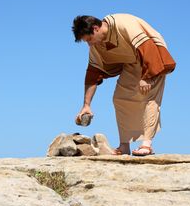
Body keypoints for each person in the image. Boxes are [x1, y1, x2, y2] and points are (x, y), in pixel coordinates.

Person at [72, 13, 176, 156]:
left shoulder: (123, 24)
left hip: (153, 56)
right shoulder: (96, 46)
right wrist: (86, 105)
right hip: (132, 62)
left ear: (96, 28)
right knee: (120, 98)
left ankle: (146, 145)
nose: (89, 44)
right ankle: (124, 146)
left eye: (89, 39)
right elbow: (93, 74)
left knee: (148, 97)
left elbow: (147, 46)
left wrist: (147, 76)